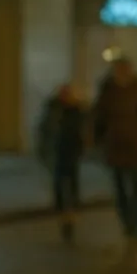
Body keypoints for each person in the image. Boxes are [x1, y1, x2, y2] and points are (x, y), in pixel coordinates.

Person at [94, 58, 137, 239]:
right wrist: (100, 138)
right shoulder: (107, 88)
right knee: (119, 185)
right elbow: (100, 114)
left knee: (136, 183)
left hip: (134, 143)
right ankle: (126, 220)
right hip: (115, 143)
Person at [37, 83, 88, 242]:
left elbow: (82, 129)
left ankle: (70, 212)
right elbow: (45, 129)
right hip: (57, 151)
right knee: (59, 182)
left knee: (71, 182)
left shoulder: (76, 111)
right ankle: (63, 211)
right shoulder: (54, 109)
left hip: (71, 152)